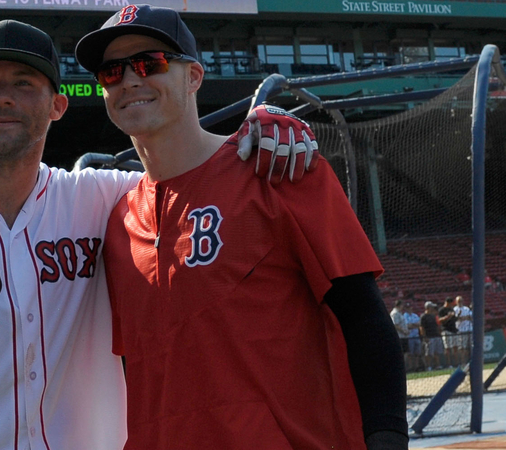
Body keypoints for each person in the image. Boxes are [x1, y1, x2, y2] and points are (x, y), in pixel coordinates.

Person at [0, 19, 311, 450]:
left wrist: (262, 124)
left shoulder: (107, 199)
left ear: (57, 107)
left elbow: (191, 167)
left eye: (24, 83)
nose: (3, 97)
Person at [75, 5, 407, 449]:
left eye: (148, 63)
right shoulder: (114, 222)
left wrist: (386, 439)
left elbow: (364, 318)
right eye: (111, 72)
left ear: (194, 76)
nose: (129, 81)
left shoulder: (280, 168)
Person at [420, 301, 444, 371]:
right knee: (429, 353)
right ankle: (429, 366)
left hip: (436, 335)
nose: (432, 308)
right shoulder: (423, 316)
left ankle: (438, 365)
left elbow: (437, 326)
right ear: (428, 308)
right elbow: (422, 327)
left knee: (436, 352)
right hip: (429, 336)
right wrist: (424, 337)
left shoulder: (433, 316)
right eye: (431, 307)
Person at [438, 296, 459, 367]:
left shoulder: (452, 309)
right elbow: (440, 320)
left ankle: (456, 363)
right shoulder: (442, 310)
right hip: (446, 330)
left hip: (453, 330)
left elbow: (454, 319)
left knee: (455, 347)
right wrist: (448, 316)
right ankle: (449, 364)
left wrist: (457, 315)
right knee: (448, 348)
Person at [403, 302, 423, 372]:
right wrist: (414, 325)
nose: (409, 309)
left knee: (417, 353)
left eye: (410, 307)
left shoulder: (415, 315)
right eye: (407, 308)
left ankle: (416, 366)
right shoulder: (404, 316)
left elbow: (419, 324)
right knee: (410, 353)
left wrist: (412, 325)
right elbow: (407, 326)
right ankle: (411, 367)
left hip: (416, 336)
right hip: (410, 336)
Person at [390, 299, 410, 366]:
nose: (403, 306)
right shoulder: (395, 313)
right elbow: (395, 325)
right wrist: (403, 331)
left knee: (406, 352)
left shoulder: (399, 313)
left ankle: (404, 366)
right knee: (402, 353)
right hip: (399, 336)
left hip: (404, 336)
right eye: (402, 305)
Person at [454, 295, 473, 365]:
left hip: (469, 329)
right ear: (456, 302)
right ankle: (463, 362)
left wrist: (463, 318)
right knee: (462, 348)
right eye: (458, 301)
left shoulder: (466, 308)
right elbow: (457, 319)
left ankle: (470, 361)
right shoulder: (455, 309)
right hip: (461, 330)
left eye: (461, 301)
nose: (460, 302)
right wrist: (463, 317)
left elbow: (470, 317)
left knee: (470, 347)